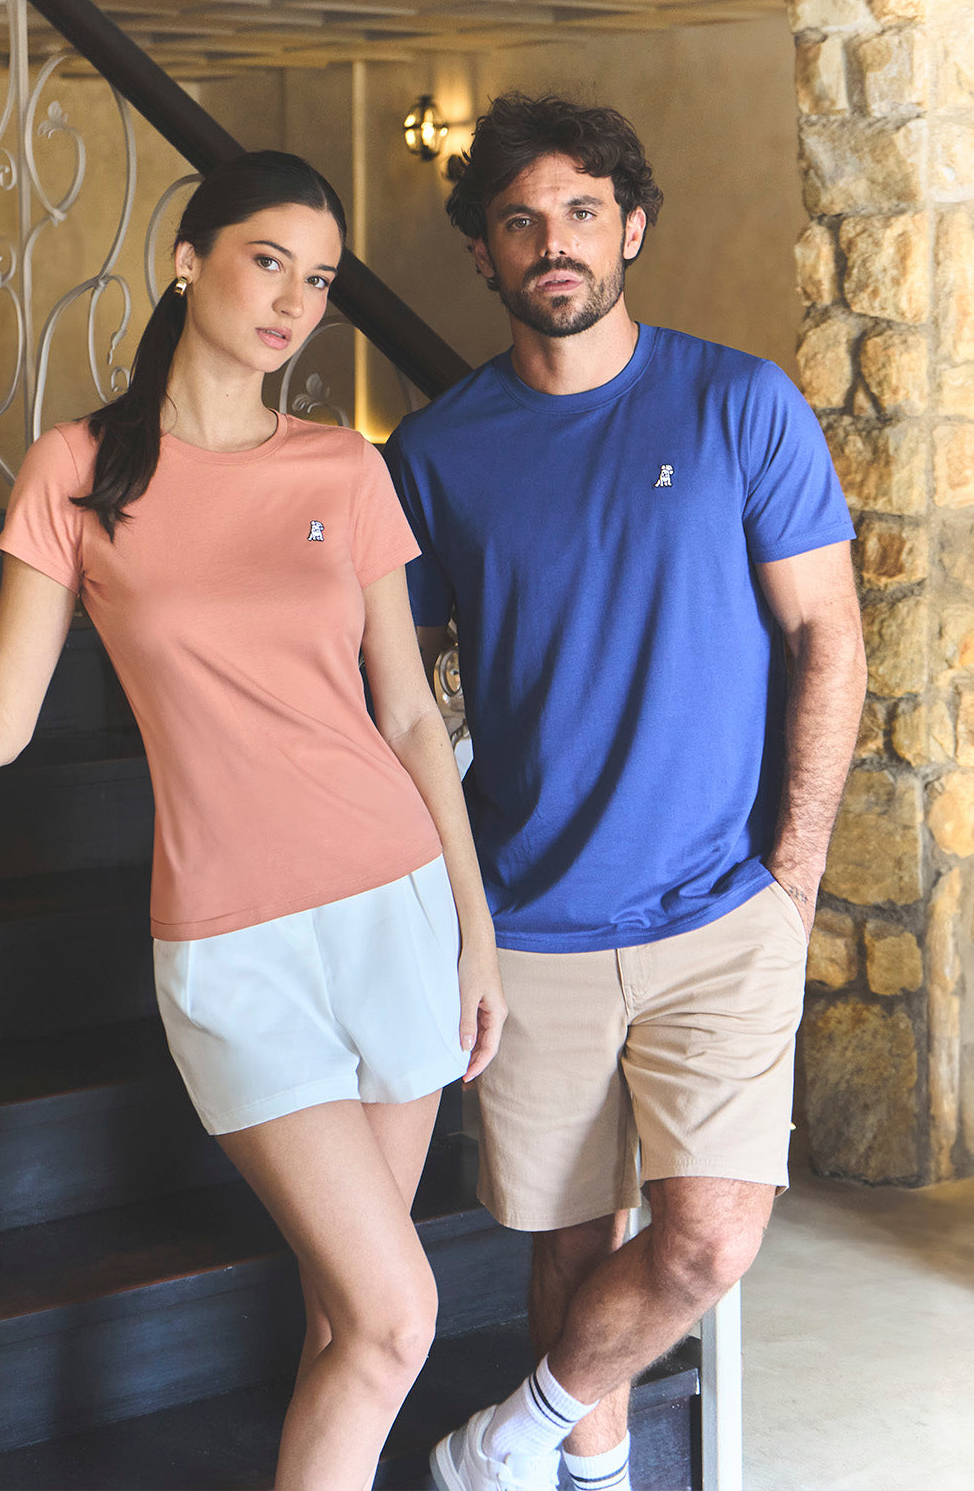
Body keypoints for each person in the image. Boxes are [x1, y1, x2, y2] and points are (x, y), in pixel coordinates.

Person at [0, 150, 507, 1491]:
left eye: (320, 281)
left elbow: (410, 718)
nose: (294, 302)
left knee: (350, 1321)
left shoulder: (343, 466)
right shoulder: (75, 470)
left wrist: (475, 931)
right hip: (230, 945)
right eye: (267, 261)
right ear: (187, 261)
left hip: (394, 904)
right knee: (398, 1315)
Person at [384, 95, 867, 1491]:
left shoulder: (737, 404)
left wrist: (792, 877)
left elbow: (828, 639)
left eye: (582, 211)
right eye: (520, 220)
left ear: (631, 228)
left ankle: (503, 1441)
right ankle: (573, 1475)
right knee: (569, 1245)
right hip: (530, 922)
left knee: (707, 1240)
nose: (554, 242)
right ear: (483, 251)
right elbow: (399, 696)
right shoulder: (435, 452)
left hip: (719, 909)